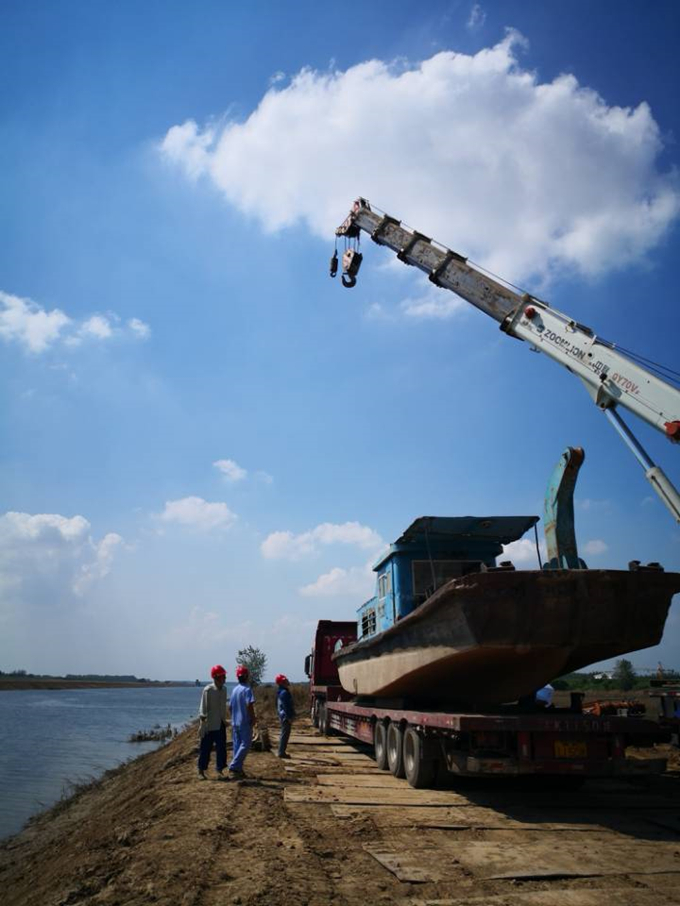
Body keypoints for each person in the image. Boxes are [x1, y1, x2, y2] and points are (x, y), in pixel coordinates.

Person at [197, 665, 228, 779]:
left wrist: (225, 721)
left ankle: (219, 771)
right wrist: (202, 724)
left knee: (221, 749)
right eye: (222, 676)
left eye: (224, 676)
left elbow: (222, 707)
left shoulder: (224, 690)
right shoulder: (208, 690)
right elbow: (203, 708)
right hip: (209, 725)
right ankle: (201, 771)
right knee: (205, 749)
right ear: (216, 677)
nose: (224, 678)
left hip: (220, 724)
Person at [228, 664, 256, 778]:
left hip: (235, 722)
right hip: (244, 722)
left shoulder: (235, 690)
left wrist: (233, 717)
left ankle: (238, 770)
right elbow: (250, 705)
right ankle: (234, 766)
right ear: (246, 676)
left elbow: (230, 707)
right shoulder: (247, 689)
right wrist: (253, 718)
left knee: (237, 745)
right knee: (246, 744)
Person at [275, 674, 296, 758]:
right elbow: (286, 706)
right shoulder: (284, 692)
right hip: (285, 717)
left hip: (283, 716)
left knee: (284, 733)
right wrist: (290, 717)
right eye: (284, 680)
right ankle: (281, 752)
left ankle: (281, 751)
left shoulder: (280, 691)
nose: (287, 681)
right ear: (281, 682)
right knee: (285, 734)